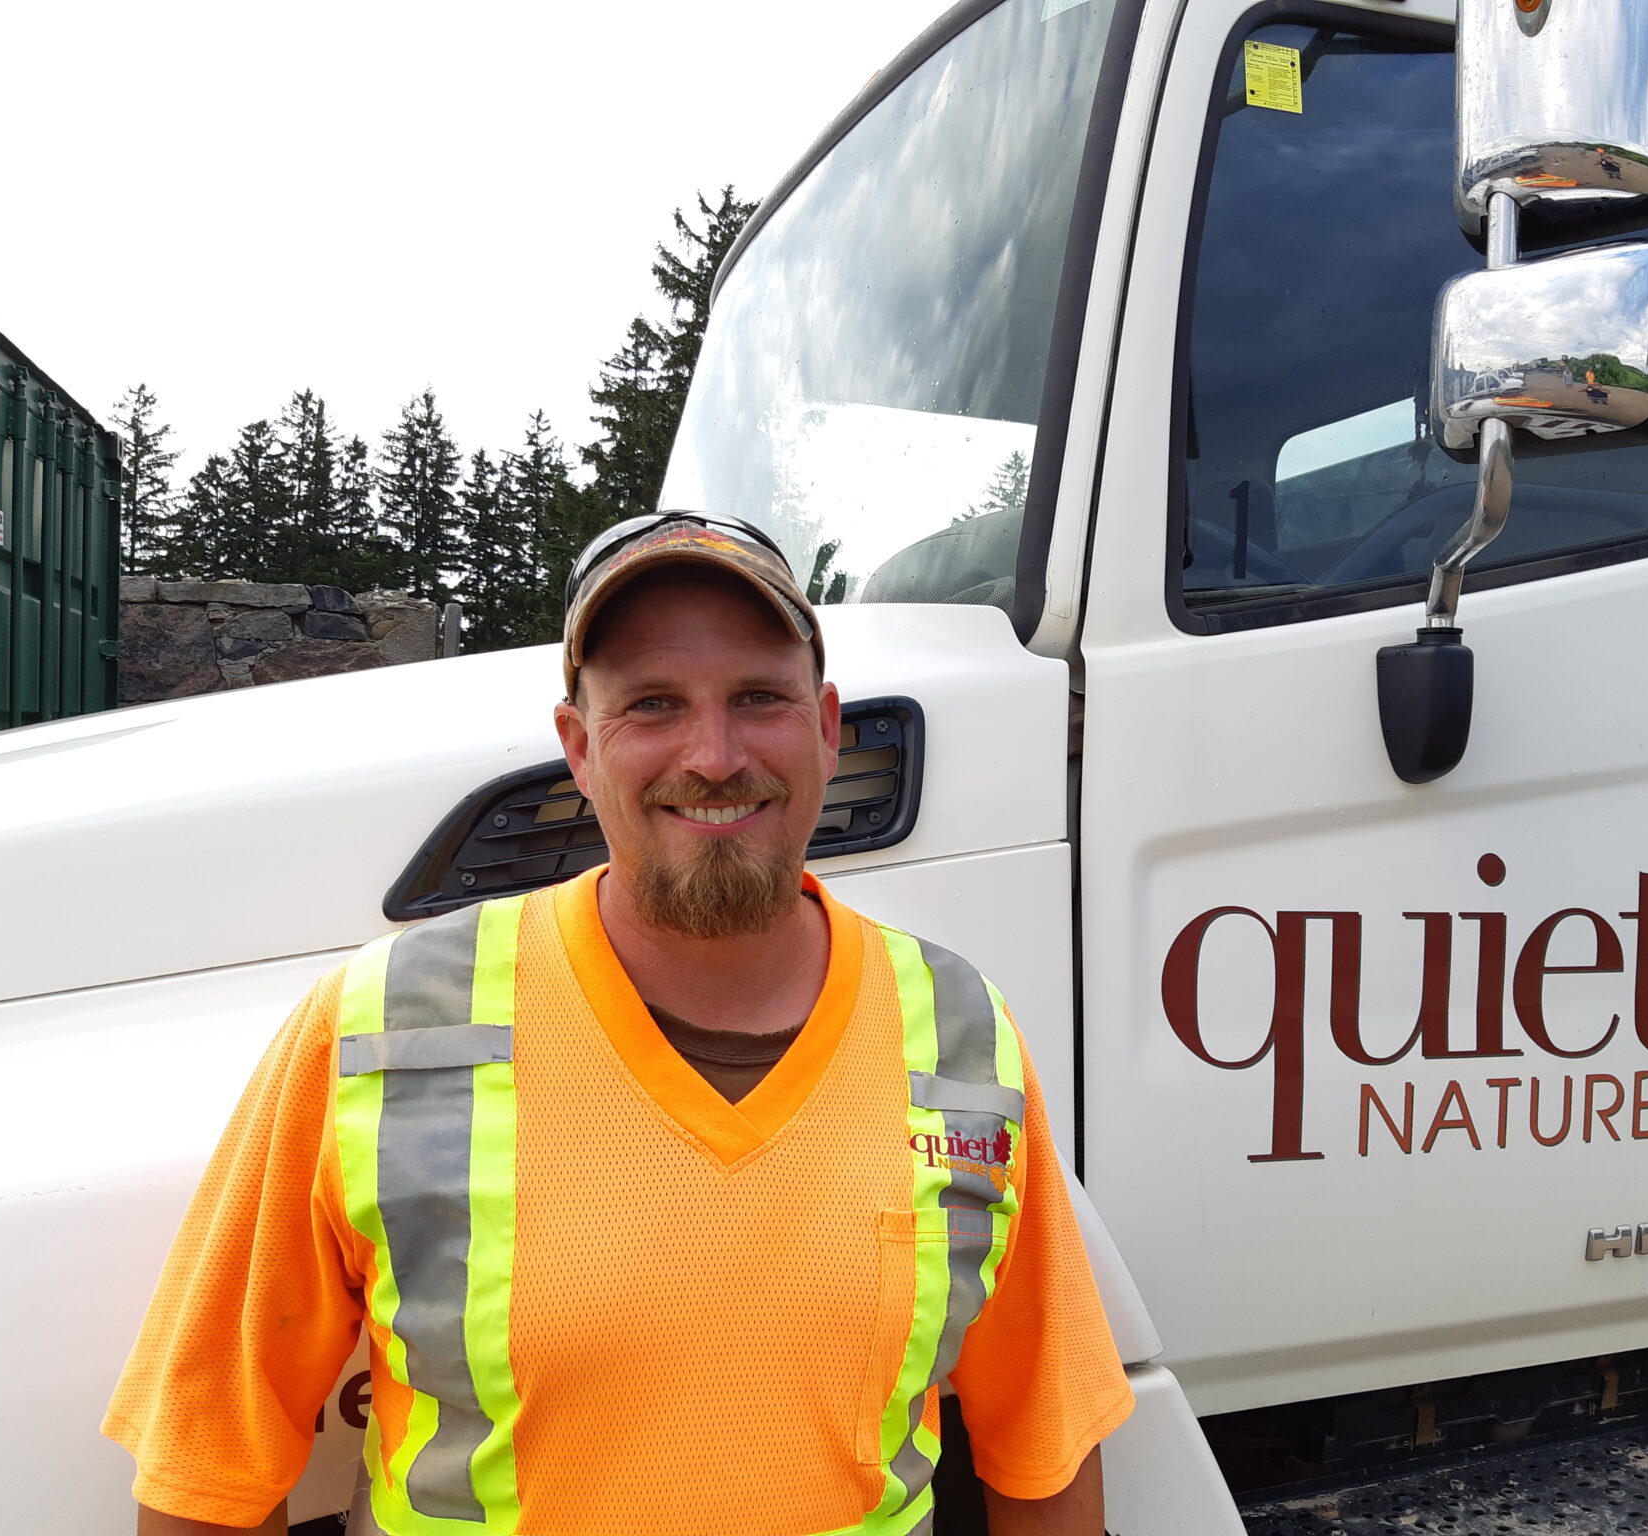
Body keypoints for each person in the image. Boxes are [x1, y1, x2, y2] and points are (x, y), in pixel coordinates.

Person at [104, 513, 1133, 1535]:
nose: (714, 756)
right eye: (652, 704)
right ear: (579, 747)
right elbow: (210, 1469)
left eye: (758, 697)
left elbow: (1043, 1449)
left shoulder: (961, 1032)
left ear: (826, 729)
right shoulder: (377, 1030)